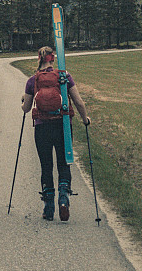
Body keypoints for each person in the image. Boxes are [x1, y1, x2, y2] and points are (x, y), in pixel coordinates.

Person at [21, 46, 90, 222]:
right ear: (53, 59)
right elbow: (79, 102)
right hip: (63, 126)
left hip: (42, 127)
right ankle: (64, 198)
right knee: (63, 162)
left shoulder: (32, 80)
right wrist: (85, 119)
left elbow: (27, 108)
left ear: (39, 59)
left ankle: (48, 205)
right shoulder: (64, 77)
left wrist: (22, 100)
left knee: (46, 165)